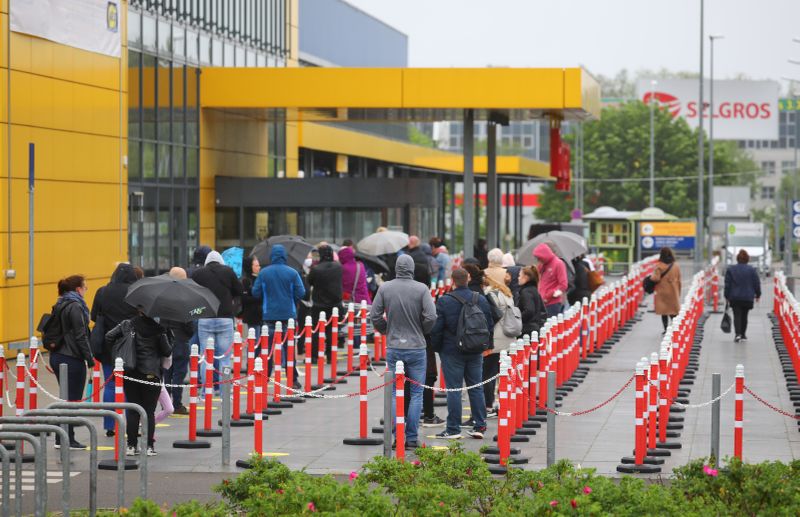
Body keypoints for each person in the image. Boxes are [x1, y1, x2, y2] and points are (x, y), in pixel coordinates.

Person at [370, 255, 437, 448]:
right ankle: (412, 437)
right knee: (416, 393)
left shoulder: (385, 288)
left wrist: (385, 329)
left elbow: (374, 314)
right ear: (412, 268)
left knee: (394, 393)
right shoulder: (421, 289)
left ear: (397, 268)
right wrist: (422, 329)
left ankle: (396, 435)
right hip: (416, 347)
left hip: (394, 347)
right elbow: (431, 315)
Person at [431, 268, 493, 440]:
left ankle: (453, 428)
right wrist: (487, 345)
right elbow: (489, 323)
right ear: (468, 278)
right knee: (476, 387)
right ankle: (480, 425)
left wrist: (438, 348)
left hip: (452, 351)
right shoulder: (479, 298)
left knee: (454, 390)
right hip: (475, 349)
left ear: (452, 280)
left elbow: (437, 328)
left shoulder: (444, 301)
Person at [105, 311, 172, 456]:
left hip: (131, 372)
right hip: (152, 373)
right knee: (149, 411)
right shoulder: (158, 328)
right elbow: (167, 351)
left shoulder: (127, 324)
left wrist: (118, 352)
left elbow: (109, 336)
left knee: (133, 410)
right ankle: (148, 446)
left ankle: (131, 446)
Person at [91, 263, 139, 437]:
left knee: (111, 385)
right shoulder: (135, 292)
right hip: (131, 345)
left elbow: (94, 316)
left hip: (107, 345)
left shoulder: (103, 292)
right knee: (131, 386)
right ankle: (130, 423)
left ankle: (110, 425)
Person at [49, 275, 94, 450]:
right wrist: (89, 358)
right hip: (71, 357)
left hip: (58, 355)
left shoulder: (60, 303)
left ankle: (61, 438)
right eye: (85, 287)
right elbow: (80, 335)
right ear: (78, 289)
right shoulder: (75, 306)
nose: (85, 290)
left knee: (64, 398)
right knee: (72, 400)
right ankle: (68, 438)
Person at [191, 250, 243, 389]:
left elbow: (192, 293)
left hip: (205, 318)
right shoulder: (228, 271)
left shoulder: (198, 273)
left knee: (205, 356)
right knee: (224, 357)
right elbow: (239, 290)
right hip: (225, 318)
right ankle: (224, 390)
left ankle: (205, 391)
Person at [253, 244, 306, 379]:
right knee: (289, 348)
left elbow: (256, 293)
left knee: (268, 348)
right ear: (284, 256)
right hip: (288, 315)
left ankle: (265, 376)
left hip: (269, 314)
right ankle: (292, 379)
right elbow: (301, 292)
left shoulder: (264, 273)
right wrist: (291, 298)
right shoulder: (292, 272)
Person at [481, 274, 516, 418]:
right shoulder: (507, 293)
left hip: (495, 339)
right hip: (508, 338)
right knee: (503, 373)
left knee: (488, 374)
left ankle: (489, 405)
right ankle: (504, 403)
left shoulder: (490, 294)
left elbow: (491, 315)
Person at [162, 267, 194, 415]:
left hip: (166, 340)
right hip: (181, 340)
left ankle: (166, 404)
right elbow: (189, 324)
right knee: (179, 374)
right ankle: (177, 404)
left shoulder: (163, 296)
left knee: (167, 373)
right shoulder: (185, 298)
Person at [307, 245, 343, 361]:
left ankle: (314, 355)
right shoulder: (338, 267)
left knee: (317, 330)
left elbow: (309, 282)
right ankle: (331, 355)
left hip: (319, 303)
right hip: (335, 304)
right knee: (333, 330)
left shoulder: (316, 269)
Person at [724, 249, 761, 342]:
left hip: (735, 297)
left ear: (737, 259)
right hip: (748, 297)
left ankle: (737, 334)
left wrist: (726, 296)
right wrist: (758, 294)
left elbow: (727, 284)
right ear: (747, 259)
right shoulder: (752, 270)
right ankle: (743, 334)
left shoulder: (731, 270)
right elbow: (756, 283)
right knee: (745, 315)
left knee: (737, 315)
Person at [650, 247, 682, 332]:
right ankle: (675, 327)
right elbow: (679, 279)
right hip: (673, 291)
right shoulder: (676, 265)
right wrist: (679, 291)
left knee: (664, 312)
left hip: (662, 291)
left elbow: (655, 278)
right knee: (673, 311)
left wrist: (651, 277)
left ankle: (666, 329)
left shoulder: (659, 265)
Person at [533, 243, 568, 316]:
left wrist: (549, 296)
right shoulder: (542, 265)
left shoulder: (559, 263)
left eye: (539, 258)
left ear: (544, 255)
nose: (538, 260)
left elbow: (563, 285)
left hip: (553, 304)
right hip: (542, 303)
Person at [518, 266, 548, 337]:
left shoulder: (526, 292)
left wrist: (518, 320)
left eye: (520, 275)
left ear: (526, 277)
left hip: (527, 331)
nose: (518, 278)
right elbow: (543, 311)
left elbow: (529, 311)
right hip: (535, 328)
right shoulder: (534, 290)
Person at [239, 256, 263, 338]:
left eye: (259, 265)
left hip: (261, 315)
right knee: (254, 340)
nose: (259, 267)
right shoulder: (246, 281)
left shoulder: (260, 278)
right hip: (252, 315)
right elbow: (244, 298)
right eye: (256, 266)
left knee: (261, 341)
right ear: (250, 266)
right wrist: (259, 298)